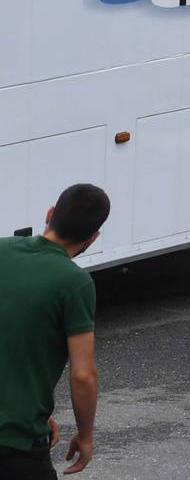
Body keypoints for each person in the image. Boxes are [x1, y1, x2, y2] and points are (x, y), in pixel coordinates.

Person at [0, 183, 106, 478]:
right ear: (93, 238)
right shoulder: (75, 283)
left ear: (50, 214)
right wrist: (85, 436)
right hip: (15, 442)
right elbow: (83, 374)